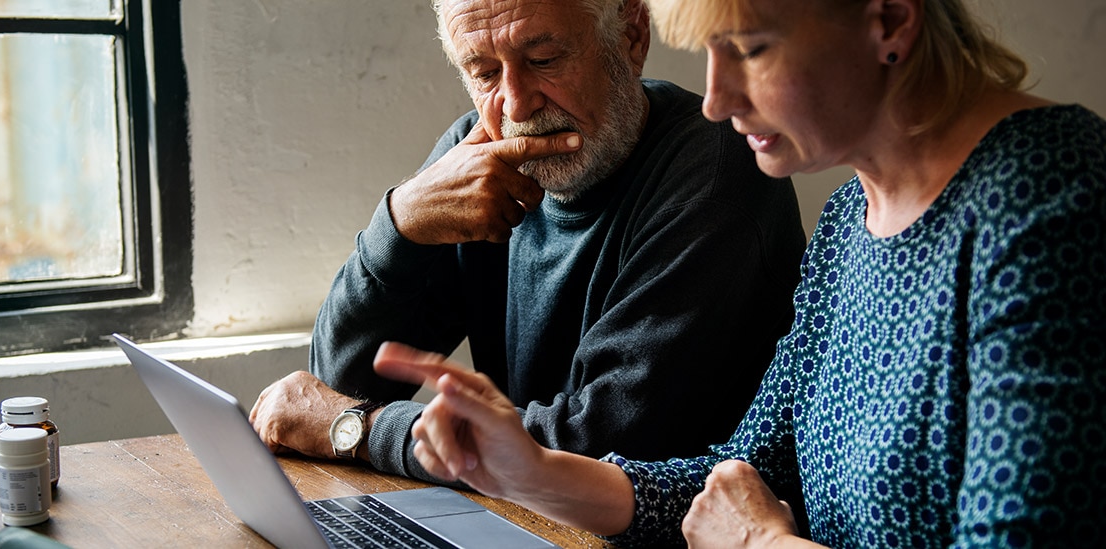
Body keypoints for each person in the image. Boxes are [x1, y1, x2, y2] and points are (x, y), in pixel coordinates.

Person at [373, 0, 1106, 546]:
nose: (716, 99)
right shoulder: (855, 213)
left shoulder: (1052, 198)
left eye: (750, 49)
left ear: (889, 20)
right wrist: (526, 469)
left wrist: (761, 542)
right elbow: (747, 469)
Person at [247, 0, 806, 484]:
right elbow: (338, 380)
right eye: (484, 72)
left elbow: (600, 449)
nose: (515, 105)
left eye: (543, 60)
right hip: (524, 518)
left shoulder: (719, 176)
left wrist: (359, 431)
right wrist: (398, 224)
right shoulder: (476, 162)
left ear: (632, 36)